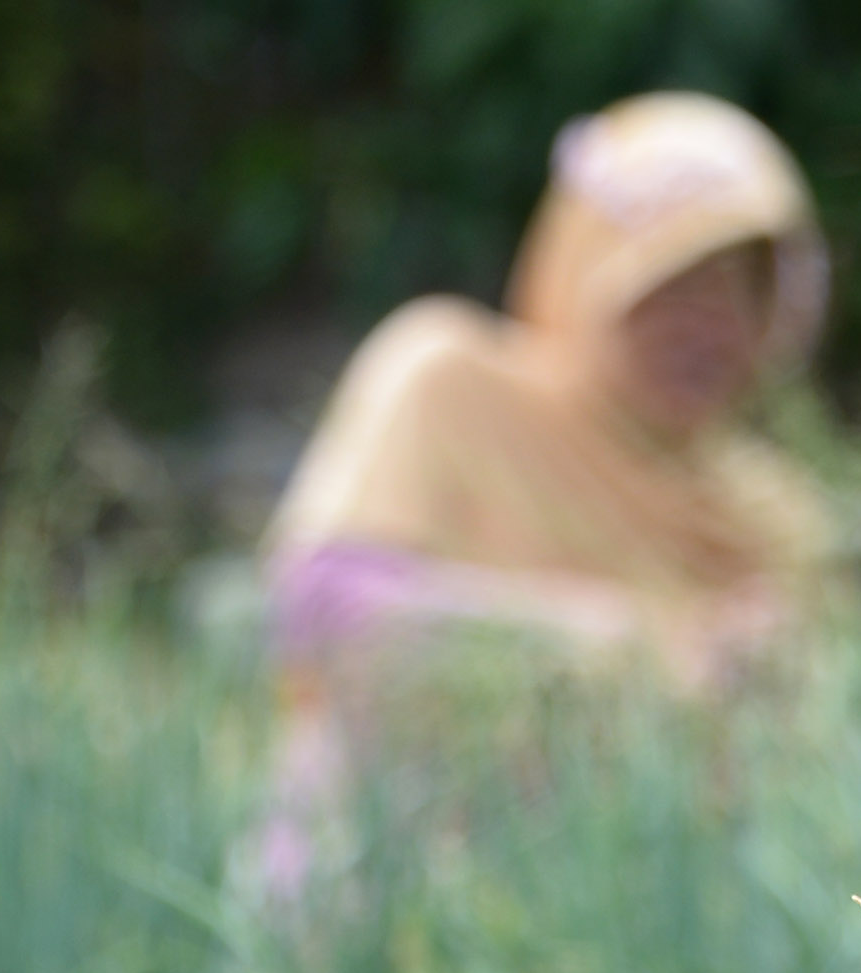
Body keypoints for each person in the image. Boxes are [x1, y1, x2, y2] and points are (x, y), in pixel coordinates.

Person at [254, 94, 831, 885]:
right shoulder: (449, 382)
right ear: (585, 273)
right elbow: (323, 611)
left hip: (630, 909)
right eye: (672, 285)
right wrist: (623, 650)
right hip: (395, 881)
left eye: (737, 291)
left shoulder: (766, 508)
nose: (705, 328)